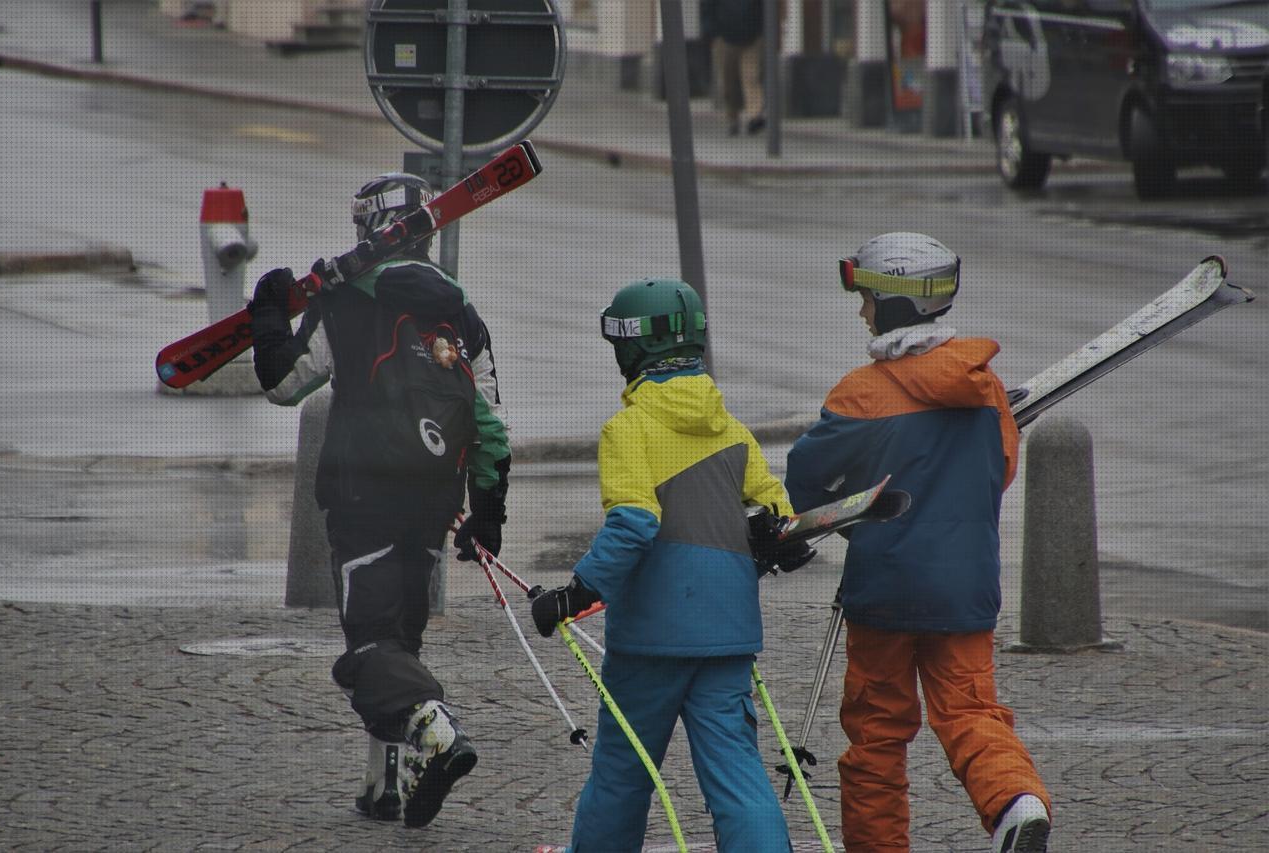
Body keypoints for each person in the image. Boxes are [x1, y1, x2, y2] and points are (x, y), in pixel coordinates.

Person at [247, 172, 511, 829]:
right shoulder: (459, 312)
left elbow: (283, 382)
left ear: (367, 227)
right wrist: (487, 513)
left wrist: (268, 311)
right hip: (432, 500)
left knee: (368, 647)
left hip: (363, 496)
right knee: (398, 643)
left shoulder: (346, 301)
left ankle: (437, 729)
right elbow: (491, 428)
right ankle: (384, 782)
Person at [785, 233, 1052, 853]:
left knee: (876, 735)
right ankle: (1018, 803)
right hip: (966, 587)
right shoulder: (985, 388)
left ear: (894, 305)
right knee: (971, 713)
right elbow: (1001, 470)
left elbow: (807, 483)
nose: (862, 313)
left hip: (884, 589)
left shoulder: (860, 394)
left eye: (868, 300)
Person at [530, 279, 813, 852]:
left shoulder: (628, 428)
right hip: (727, 634)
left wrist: (575, 594)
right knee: (736, 777)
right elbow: (778, 514)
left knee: (623, 772)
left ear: (630, 350)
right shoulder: (732, 429)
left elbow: (634, 522)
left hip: (650, 641)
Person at [702, 0, 767, 136]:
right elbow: (707, 8)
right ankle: (733, 117)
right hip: (725, 38)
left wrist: (761, 30)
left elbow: (763, 7)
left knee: (751, 76)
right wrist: (712, 33)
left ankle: (754, 115)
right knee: (728, 82)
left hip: (751, 38)